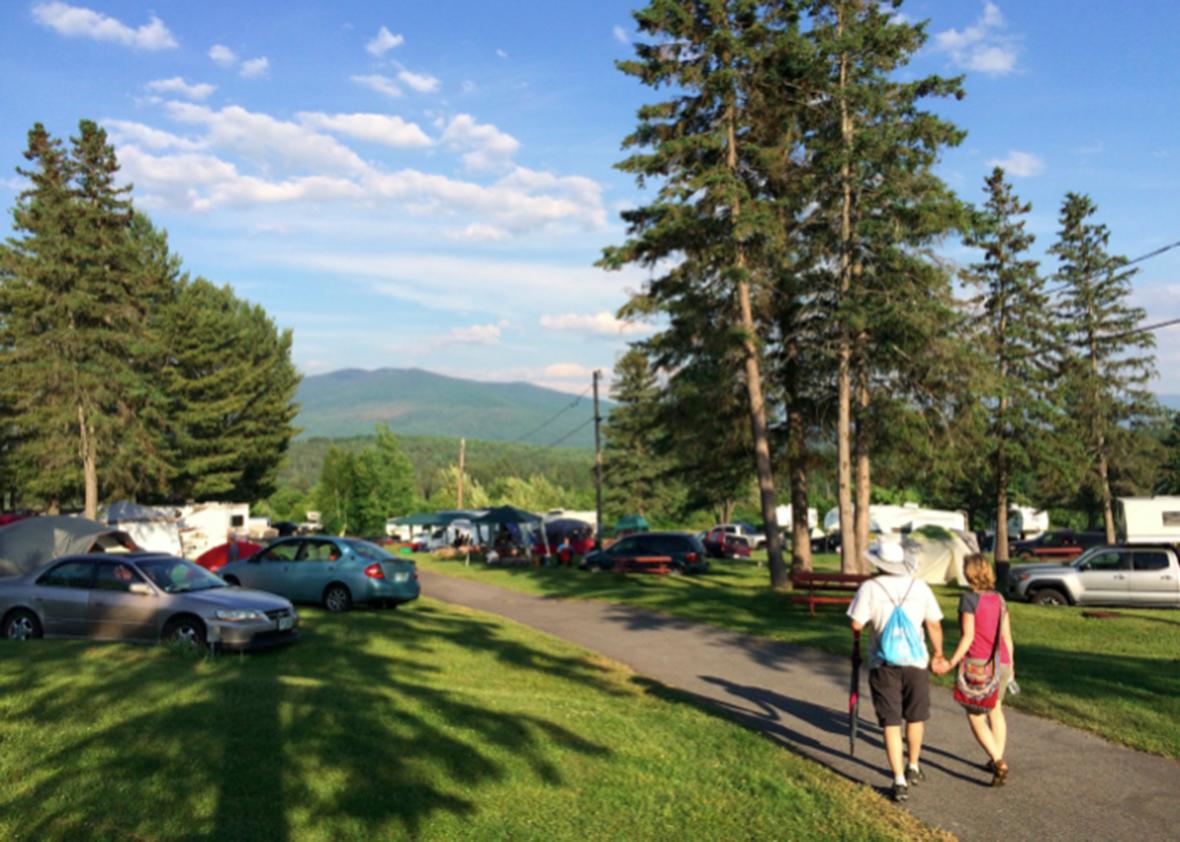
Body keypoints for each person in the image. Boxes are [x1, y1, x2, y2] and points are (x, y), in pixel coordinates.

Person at [848, 539, 946, 803]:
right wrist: (938, 653)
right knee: (915, 717)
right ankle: (913, 765)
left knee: (891, 721)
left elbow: (856, 624)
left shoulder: (869, 587)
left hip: (884, 663)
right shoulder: (920, 587)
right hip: (916, 663)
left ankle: (898, 780)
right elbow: (934, 624)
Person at [936, 553, 1014, 786]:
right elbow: (1007, 637)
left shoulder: (968, 600)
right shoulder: (1000, 599)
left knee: (975, 715)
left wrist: (951, 662)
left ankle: (998, 761)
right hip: (1003, 661)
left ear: (969, 573)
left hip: (979, 664)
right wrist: (1012, 667)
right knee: (996, 711)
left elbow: (968, 636)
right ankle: (995, 757)